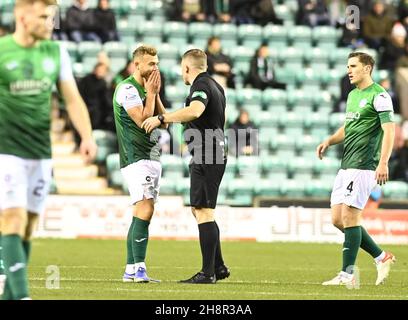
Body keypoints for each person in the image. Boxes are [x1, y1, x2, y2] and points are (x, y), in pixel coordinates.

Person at [0, 0, 97, 300]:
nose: (48, 23)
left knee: (28, 227)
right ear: (21, 14)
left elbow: (72, 99)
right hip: (6, 150)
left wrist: (87, 136)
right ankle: (23, 296)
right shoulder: (2, 51)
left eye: (51, 17)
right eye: (43, 16)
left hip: (40, 151)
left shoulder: (56, 52)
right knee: (12, 220)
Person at [142, 49, 230, 284]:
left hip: (207, 153)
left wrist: (161, 118)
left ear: (187, 68)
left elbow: (195, 111)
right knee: (200, 210)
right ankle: (218, 266)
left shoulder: (200, 86)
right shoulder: (216, 86)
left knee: (204, 212)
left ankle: (207, 273)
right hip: (212, 151)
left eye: (182, 69)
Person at [316, 52, 396, 286]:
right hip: (347, 164)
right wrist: (329, 140)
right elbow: (349, 126)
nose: (348, 70)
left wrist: (383, 162)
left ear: (367, 68)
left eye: (353, 66)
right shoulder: (353, 95)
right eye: (347, 66)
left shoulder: (379, 95)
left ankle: (347, 275)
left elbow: (389, 129)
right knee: (337, 220)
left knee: (351, 217)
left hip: (364, 165)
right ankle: (382, 257)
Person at [112, 45, 167, 283]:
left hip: (150, 156)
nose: (155, 67)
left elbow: (163, 122)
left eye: (157, 63)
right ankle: (140, 268)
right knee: (146, 208)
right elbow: (144, 120)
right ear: (137, 65)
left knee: (141, 212)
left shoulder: (146, 89)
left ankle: (130, 270)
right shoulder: (127, 89)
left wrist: (154, 92)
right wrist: (152, 94)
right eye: (151, 64)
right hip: (136, 157)